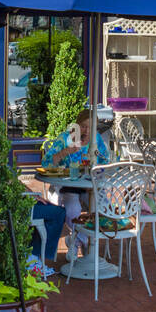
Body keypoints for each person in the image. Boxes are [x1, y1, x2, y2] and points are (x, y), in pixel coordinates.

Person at [41, 108, 110, 262]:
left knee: (104, 210)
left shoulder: (96, 139)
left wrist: (98, 169)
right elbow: (45, 163)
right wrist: (65, 152)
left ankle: (75, 241)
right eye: (84, 126)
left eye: (91, 127)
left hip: (90, 186)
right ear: (77, 125)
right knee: (73, 211)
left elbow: (105, 162)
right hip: (69, 186)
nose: (87, 130)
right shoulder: (65, 138)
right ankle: (85, 241)